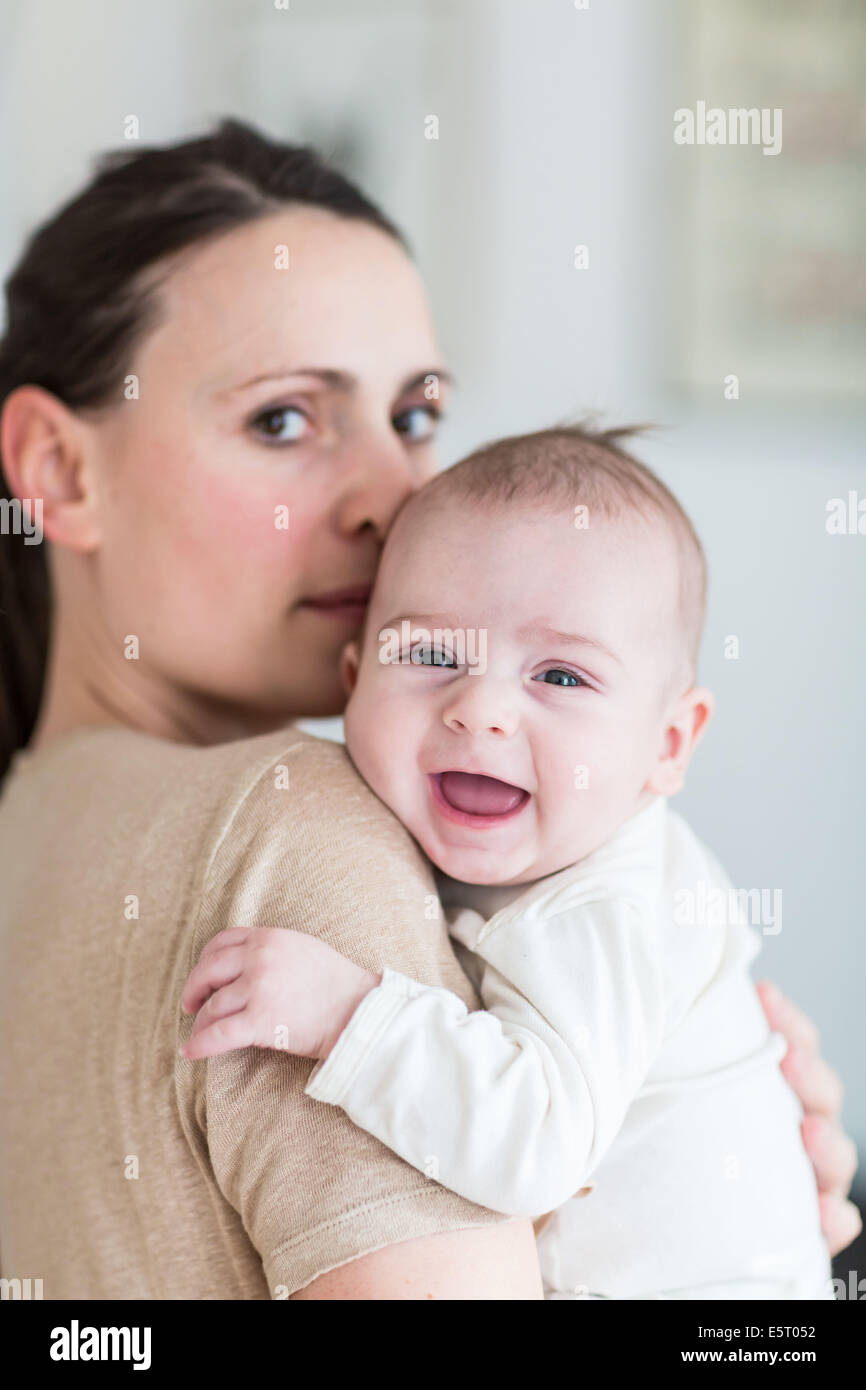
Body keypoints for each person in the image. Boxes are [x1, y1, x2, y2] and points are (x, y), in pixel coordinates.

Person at [0, 121, 857, 1301]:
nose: (395, 500)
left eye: (412, 417)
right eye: (285, 419)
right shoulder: (297, 831)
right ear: (58, 468)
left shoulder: (27, 819)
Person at [182, 425, 834, 1299]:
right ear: (352, 683)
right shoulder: (506, 848)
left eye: (561, 677)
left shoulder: (600, 910)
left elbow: (538, 1145)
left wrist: (349, 1015)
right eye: (429, 655)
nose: (479, 707)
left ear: (668, 743)